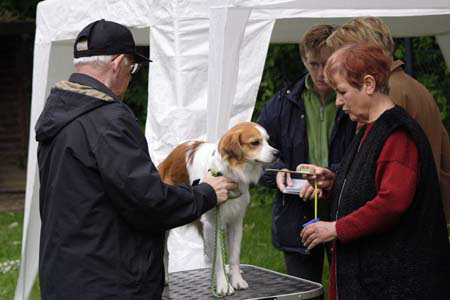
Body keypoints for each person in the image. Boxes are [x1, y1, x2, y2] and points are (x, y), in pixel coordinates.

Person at [35, 19, 237, 300]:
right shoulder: (108, 120)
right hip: (109, 283)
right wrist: (205, 193)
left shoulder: (57, 116)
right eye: (133, 68)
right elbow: (148, 203)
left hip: (64, 277)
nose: (131, 78)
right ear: (118, 64)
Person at [300, 43, 450, 300]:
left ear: (368, 84)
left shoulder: (397, 134)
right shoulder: (369, 126)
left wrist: (336, 227)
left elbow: (392, 202)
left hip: (396, 284)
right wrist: (335, 183)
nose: (337, 102)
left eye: (343, 91)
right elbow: (371, 185)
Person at [326, 16, 450, 225]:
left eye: (343, 56)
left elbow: (382, 190)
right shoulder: (413, 87)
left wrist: (338, 227)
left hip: (404, 229)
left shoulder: (385, 100)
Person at [257, 24, 356, 284]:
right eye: (314, 64)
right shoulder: (280, 104)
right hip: (295, 216)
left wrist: (330, 176)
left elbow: (364, 154)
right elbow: (254, 155)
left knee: (350, 289)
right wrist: (276, 172)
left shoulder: (354, 99)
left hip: (344, 210)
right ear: (303, 60)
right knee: (303, 291)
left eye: (327, 63)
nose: (321, 72)